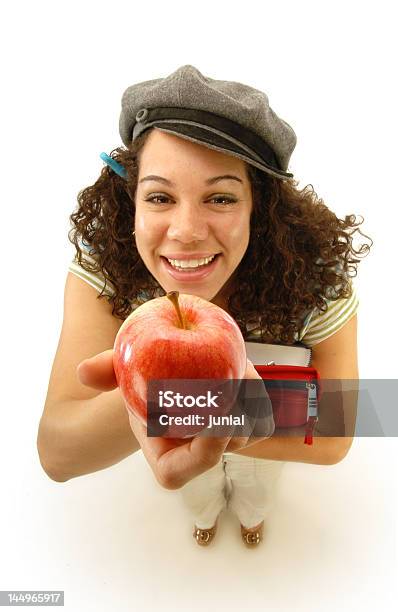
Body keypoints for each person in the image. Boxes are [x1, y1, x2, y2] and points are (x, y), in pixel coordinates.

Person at [37, 65, 371, 548]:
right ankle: (207, 520)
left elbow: (338, 436)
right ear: (130, 198)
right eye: (159, 196)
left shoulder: (317, 278)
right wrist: (168, 399)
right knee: (198, 493)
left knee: (257, 492)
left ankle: (253, 523)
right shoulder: (103, 266)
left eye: (220, 197)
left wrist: (201, 408)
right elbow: (56, 452)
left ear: (260, 207)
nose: (186, 231)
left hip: (266, 444)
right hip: (240, 430)